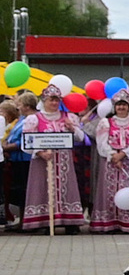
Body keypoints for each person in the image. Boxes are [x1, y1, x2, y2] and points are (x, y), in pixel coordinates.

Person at [19, 84, 88, 232]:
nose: (54, 103)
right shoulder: (34, 119)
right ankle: (45, 222)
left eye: (57, 100)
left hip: (64, 161)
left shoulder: (68, 117)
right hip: (43, 162)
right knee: (43, 188)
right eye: (51, 100)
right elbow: (26, 143)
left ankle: (70, 222)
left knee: (67, 189)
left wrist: (72, 128)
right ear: (44, 101)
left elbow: (81, 138)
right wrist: (40, 153)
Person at [90, 92, 129, 236]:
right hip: (109, 161)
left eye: (124, 105)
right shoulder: (106, 123)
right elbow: (101, 142)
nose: (121, 108)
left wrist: (123, 153)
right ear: (114, 107)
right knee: (108, 190)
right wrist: (113, 155)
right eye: (119, 105)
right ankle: (108, 222)